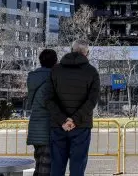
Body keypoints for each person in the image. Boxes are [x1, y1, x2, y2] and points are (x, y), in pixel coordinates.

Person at [47, 39, 100, 176]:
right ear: (86, 53)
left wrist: (63, 120)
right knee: (78, 167)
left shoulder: (56, 70)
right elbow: (92, 101)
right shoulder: (92, 72)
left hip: (58, 126)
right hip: (81, 126)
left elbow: (48, 99)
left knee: (57, 166)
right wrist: (74, 120)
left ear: (71, 50)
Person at [26, 49, 58, 176]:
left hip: (35, 127)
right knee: (45, 167)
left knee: (39, 164)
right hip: (46, 129)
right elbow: (48, 104)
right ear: (55, 62)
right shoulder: (51, 79)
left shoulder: (33, 78)